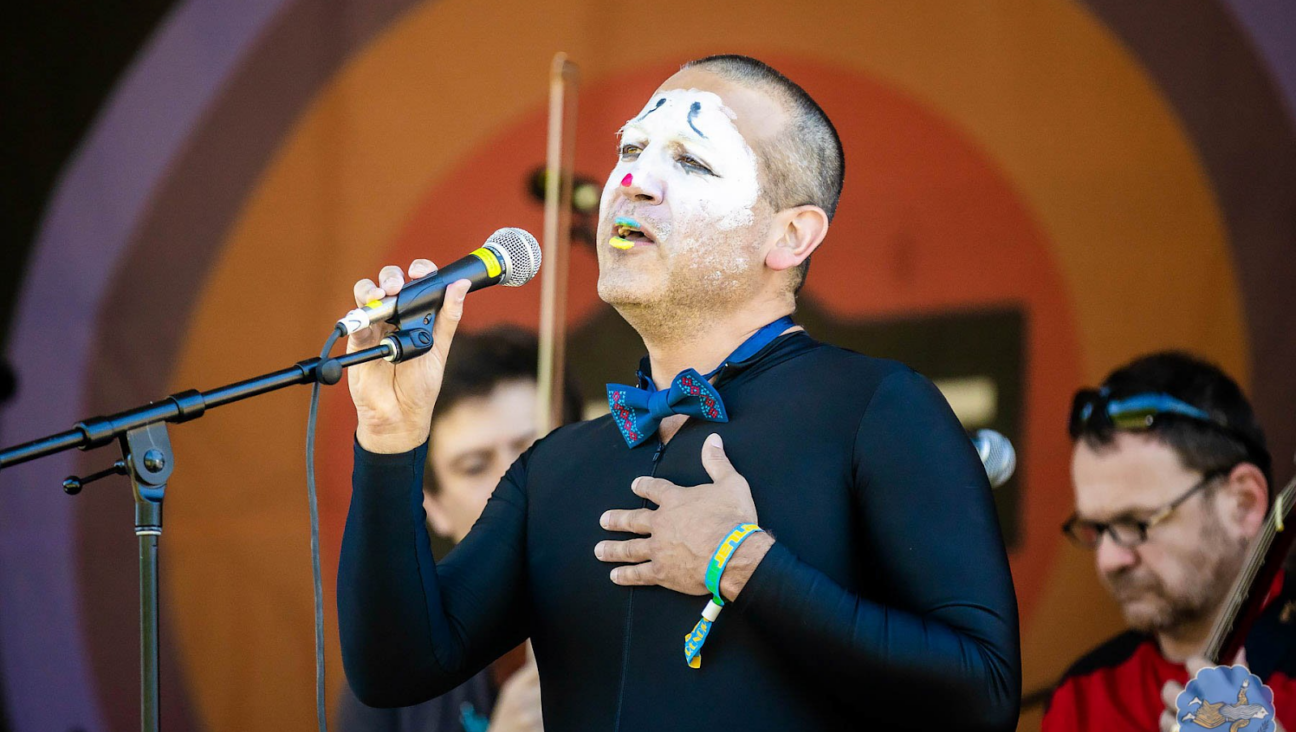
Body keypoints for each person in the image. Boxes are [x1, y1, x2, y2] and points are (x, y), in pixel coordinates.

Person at [337, 55, 1021, 731]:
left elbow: (982, 696)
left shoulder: (880, 407)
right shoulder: (554, 469)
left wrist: (745, 565)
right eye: (630, 148)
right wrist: (389, 439)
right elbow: (394, 669)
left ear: (790, 235)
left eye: (690, 162)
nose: (633, 180)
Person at [337, 327, 580, 732]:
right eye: (474, 466)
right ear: (435, 507)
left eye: (533, 450)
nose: (512, 478)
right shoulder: (395, 664)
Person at [1041, 351, 1295, 732]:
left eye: (1137, 522)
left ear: (1244, 504)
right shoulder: (1085, 693)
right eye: (1097, 528)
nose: (1109, 559)